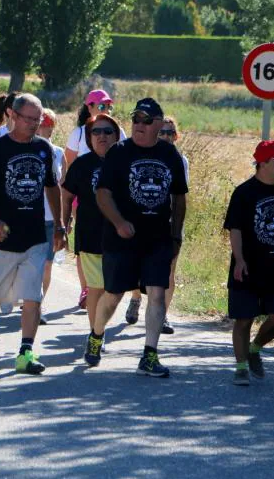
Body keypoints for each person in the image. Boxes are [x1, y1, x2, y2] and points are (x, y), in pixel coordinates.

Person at [84, 98, 188, 378]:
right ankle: (96, 333)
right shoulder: (119, 152)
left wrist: (176, 234)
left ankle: (150, 354)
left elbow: (179, 197)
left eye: (145, 120)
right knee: (114, 294)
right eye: (135, 120)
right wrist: (119, 222)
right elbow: (102, 194)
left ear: (158, 124)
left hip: (158, 237)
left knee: (156, 293)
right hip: (121, 238)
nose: (139, 125)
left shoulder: (170, 155)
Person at [0, 93, 65, 374]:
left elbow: (52, 186)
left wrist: (59, 225)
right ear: (13, 115)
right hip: (0, 237)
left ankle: (25, 351)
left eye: (38, 120)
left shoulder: (44, 149)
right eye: (29, 119)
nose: (34, 125)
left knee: (33, 296)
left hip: (34, 236)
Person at [225, 140, 274, 386]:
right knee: (244, 319)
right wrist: (239, 260)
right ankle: (240, 367)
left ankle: (255, 349)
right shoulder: (244, 192)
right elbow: (235, 229)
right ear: (262, 164)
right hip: (248, 266)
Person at [62, 114, 119, 334]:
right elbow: (66, 196)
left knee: (113, 289)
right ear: (89, 137)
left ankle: (99, 328)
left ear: (116, 135)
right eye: (96, 131)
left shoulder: (125, 162)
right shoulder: (82, 165)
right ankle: (96, 334)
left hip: (120, 237)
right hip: (90, 237)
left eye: (107, 131)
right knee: (96, 287)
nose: (101, 136)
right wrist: (63, 224)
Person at [156, 117, 189, 334]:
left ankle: (162, 316)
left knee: (169, 273)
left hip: (171, 221)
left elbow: (181, 195)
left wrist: (177, 229)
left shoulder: (181, 160)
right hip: (147, 220)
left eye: (170, 133)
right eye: (163, 132)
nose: (167, 137)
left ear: (176, 136)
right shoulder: (146, 155)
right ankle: (137, 298)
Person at [34, 108, 66, 324]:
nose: (48, 129)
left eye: (51, 125)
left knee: (46, 264)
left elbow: (62, 188)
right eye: (45, 124)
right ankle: (16, 294)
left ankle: (38, 304)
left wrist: (63, 220)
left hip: (50, 217)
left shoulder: (58, 152)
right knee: (25, 262)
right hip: (28, 217)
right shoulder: (27, 149)